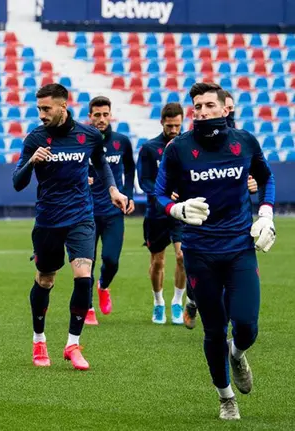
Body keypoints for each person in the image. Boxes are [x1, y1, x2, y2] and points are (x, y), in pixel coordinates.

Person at [155, 82, 275, 420]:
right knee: (214, 330)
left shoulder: (244, 142)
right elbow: (160, 192)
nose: (202, 112)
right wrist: (174, 210)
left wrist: (265, 211)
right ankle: (226, 398)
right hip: (199, 250)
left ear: (226, 108)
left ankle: (237, 354)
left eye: (209, 105)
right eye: (197, 107)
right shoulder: (178, 148)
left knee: (248, 325)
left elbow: (266, 178)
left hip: (239, 247)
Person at [12, 83, 128, 371]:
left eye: (46, 108)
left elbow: (101, 164)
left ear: (63, 106)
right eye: (39, 108)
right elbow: (17, 182)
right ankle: (39, 339)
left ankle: (72, 344)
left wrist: (113, 190)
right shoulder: (35, 139)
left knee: (83, 275)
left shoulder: (88, 135)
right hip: (49, 220)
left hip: (81, 216)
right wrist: (31, 162)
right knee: (45, 280)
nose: (41, 114)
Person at [84, 96, 135, 325]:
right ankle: (88, 306)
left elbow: (130, 167)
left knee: (111, 260)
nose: (102, 119)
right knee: (88, 261)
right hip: (87, 210)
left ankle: (103, 286)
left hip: (114, 210)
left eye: (105, 114)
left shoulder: (121, 141)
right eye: (97, 115)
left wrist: (129, 195)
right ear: (90, 116)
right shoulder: (82, 141)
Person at [137, 103, 188, 325]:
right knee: (158, 262)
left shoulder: (188, 146)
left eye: (177, 125)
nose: (174, 130)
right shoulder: (149, 149)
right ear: (162, 123)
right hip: (157, 214)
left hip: (181, 212)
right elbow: (145, 181)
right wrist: (165, 195)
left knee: (182, 257)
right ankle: (159, 303)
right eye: (170, 126)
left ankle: (178, 301)